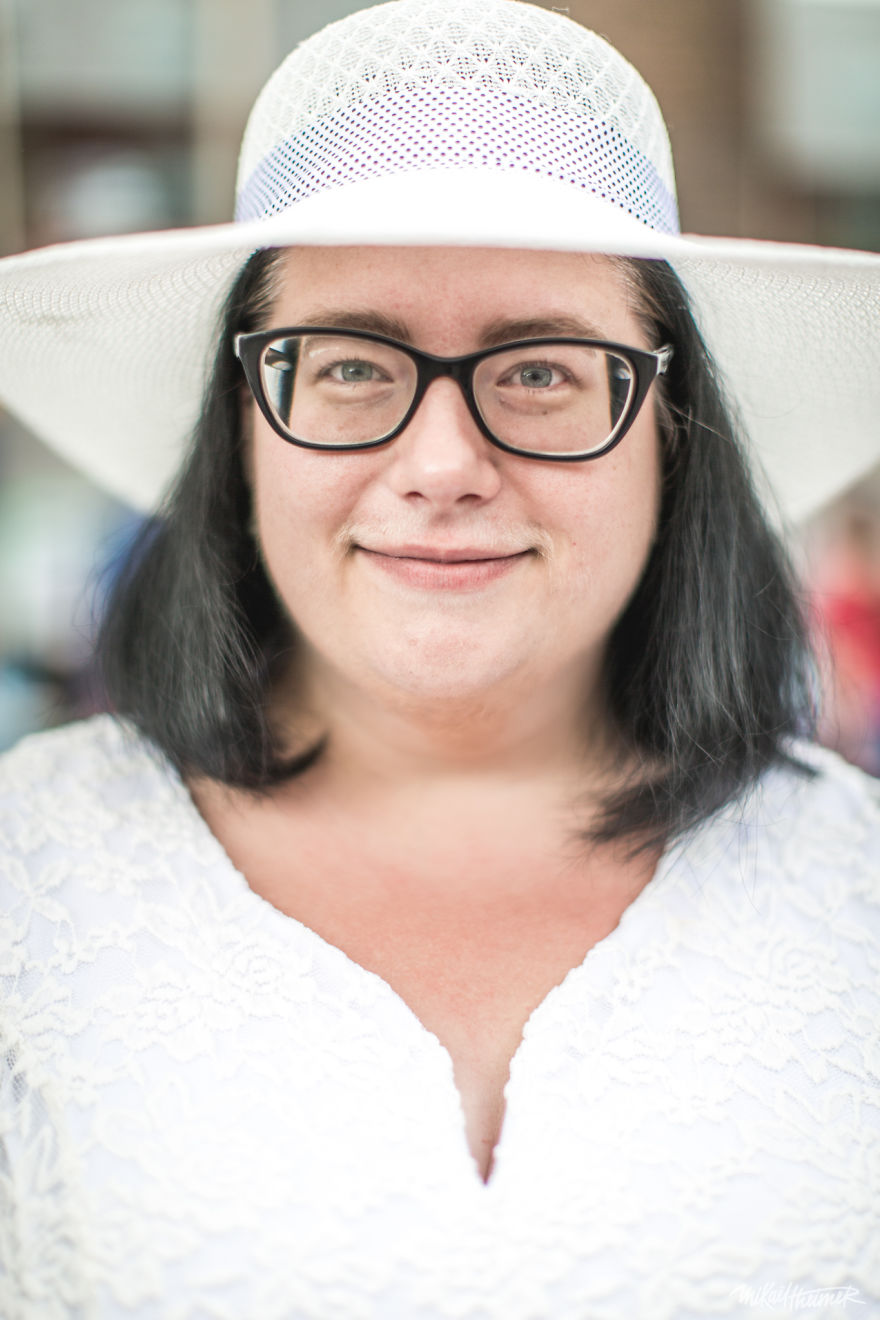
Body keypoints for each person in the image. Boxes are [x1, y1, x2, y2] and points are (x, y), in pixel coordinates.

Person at [0, 1, 878, 1316]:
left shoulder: (858, 893)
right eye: (351, 364)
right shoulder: (26, 877)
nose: (442, 467)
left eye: (540, 371)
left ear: (671, 433)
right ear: (244, 426)